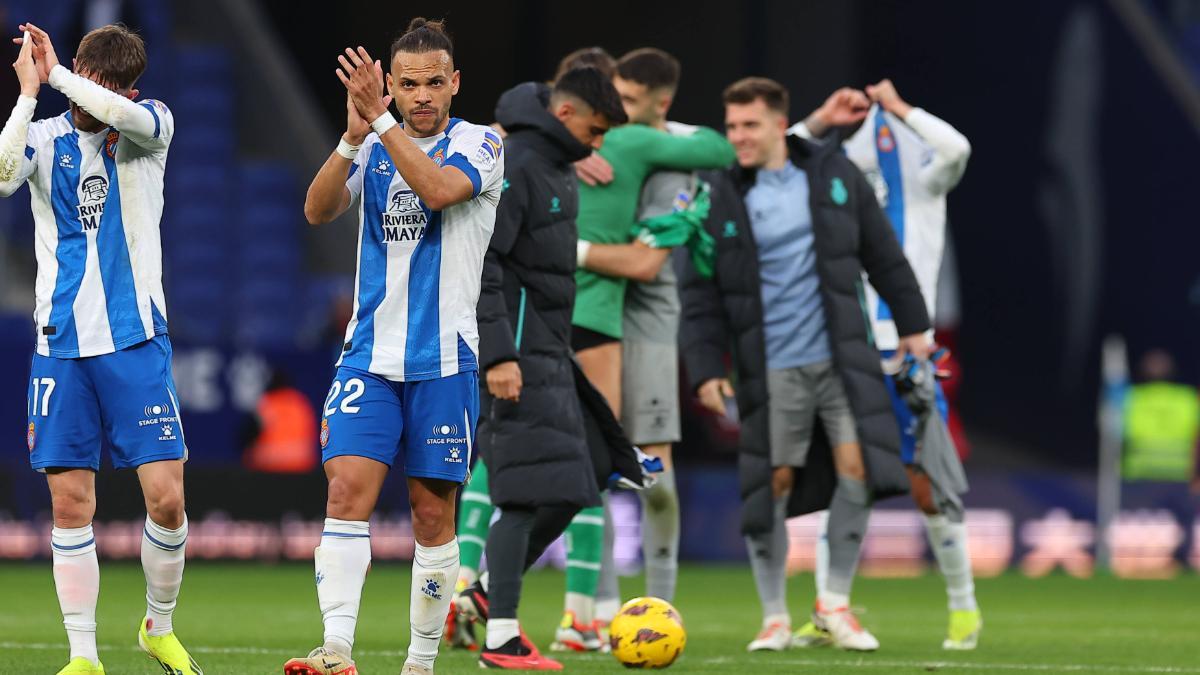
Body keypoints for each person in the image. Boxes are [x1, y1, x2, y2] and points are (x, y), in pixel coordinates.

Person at [282, 18, 505, 675]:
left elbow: (437, 192)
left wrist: (378, 122)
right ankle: (337, 649)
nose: (422, 95)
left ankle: (420, 662)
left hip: (445, 359)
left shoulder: (482, 143)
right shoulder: (374, 142)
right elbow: (317, 210)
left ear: (456, 82)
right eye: (407, 84)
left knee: (431, 514)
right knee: (346, 491)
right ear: (395, 86)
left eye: (435, 81)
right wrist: (353, 137)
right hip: (369, 357)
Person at [679, 77, 932, 652]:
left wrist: (916, 328)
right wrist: (705, 367)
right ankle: (773, 617)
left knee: (859, 470)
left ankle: (833, 605)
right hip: (768, 367)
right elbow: (697, 289)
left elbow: (884, 257)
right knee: (773, 483)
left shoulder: (834, 176)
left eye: (749, 126)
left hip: (842, 357)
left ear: (778, 124)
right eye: (732, 126)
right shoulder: (718, 193)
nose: (738, 137)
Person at [0, 22, 198, 675]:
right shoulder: (45, 137)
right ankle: (83, 654)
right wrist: (29, 94)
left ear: (128, 89)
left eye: (102, 85)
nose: (86, 95)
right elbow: (2, 177)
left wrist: (56, 75)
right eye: (81, 76)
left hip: (136, 341)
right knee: (70, 502)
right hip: (61, 346)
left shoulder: (148, 128)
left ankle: (157, 625)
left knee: (167, 498)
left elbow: (117, 111)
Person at [450, 66, 646, 670]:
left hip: (551, 353)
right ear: (565, 115)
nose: (600, 142)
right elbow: (485, 266)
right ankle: (503, 638)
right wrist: (500, 355)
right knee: (524, 496)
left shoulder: (559, 165)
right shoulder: (522, 166)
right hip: (516, 359)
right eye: (596, 128)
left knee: (581, 479)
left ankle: (483, 591)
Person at [788, 80, 981, 650]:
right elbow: (776, 158)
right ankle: (830, 609)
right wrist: (823, 116)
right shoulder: (836, 171)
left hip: (907, 353)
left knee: (929, 486)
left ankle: (964, 607)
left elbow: (957, 149)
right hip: (847, 348)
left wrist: (902, 108)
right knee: (842, 478)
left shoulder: (924, 177)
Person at [558, 47, 720, 649]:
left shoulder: (678, 165)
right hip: (590, 312)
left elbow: (647, 265)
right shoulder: (590, 147)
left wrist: (568, 251)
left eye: (627, 101)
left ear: (660, 105)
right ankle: (595, 612)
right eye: (612, 98)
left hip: (646, 317)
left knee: (655, 476)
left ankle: (662, 605)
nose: (615, 111)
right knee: (590, 467)